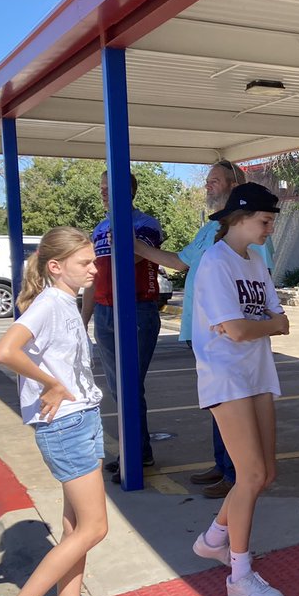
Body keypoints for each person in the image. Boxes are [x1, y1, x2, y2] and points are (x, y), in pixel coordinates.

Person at [0, 227, 122, 596]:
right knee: (93, 528)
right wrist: (51, 383)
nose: (95, 269)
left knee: (73, 530)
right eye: (86, 263)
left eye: (93, 262)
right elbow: (5, 350)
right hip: (65, 427)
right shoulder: (47, 304)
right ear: (55, 267)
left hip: (81, 419)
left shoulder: (64, 301)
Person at [132, 159, 273, 499]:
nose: (207, 186)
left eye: (214, 180)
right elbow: (180, 262)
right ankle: (223, 464)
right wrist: (137, 247)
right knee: (218, 402)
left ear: (233, 185)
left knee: (230, 399)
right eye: (208, 181)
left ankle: (235, 471)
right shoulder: (207, 231)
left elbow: (261, 282)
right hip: (204, 331)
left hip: (232, 335)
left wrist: (253, 323)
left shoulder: (250, 234)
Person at [189, 183, 290, 596]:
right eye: (265, 221)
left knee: (265, 474)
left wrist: (251, 327)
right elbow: (243, 328)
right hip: (226, 377)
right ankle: (240, 574)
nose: (270, 228)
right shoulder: (216, 263)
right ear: (241, 218)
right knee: (249, 476)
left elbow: (279, 321)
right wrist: (253, 326)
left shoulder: (255, 262)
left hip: (256, 374)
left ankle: (214, 538)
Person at [82, 171, 164, 483]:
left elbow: (130, 260)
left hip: (136, 309)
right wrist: (83, 319)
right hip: (104, 311)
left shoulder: (145, 224)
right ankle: (137, 450)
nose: (104, 194)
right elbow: (93, 276)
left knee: (129, 383)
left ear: (128, 191)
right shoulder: (101, 228)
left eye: (110, 188)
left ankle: (135, 453)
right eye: (101, 188)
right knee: (118, 387)